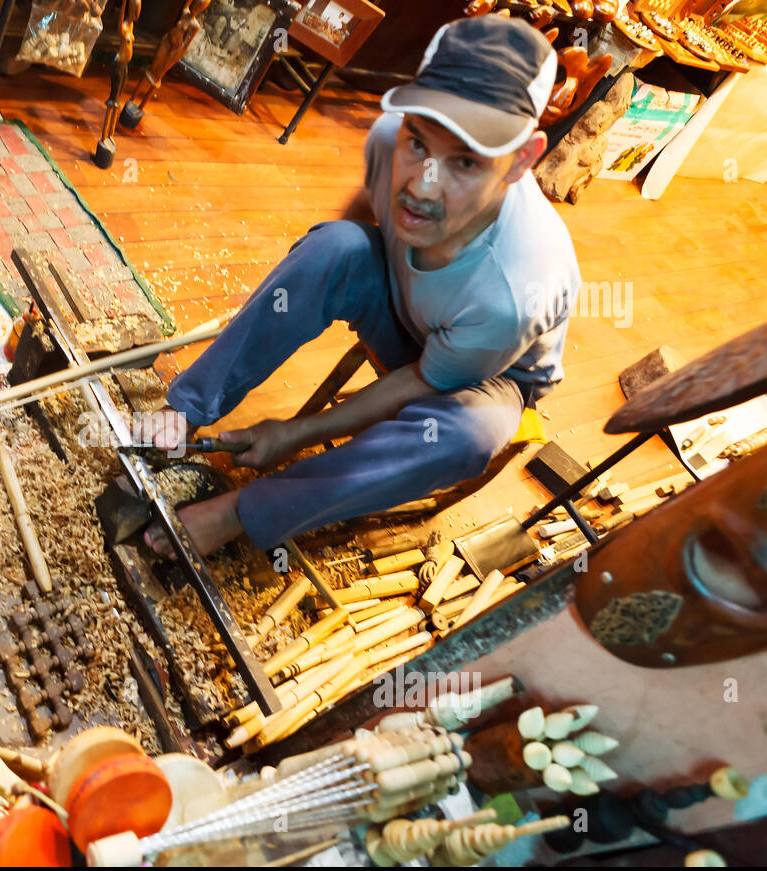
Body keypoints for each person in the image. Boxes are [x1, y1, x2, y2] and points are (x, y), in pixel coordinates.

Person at [136, 15, 581, 556]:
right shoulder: (391, 140)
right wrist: (313, 277)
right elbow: (357, 229)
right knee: (336, 247)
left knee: (464, 438)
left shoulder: (514, 286)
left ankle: (243, 512)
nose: (422, 185)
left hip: (483, 374)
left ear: (523, 160)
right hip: (409, 306)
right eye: (419, 143)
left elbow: (421, 379)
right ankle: (186, 412)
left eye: (465, 161)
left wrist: (292, 434)